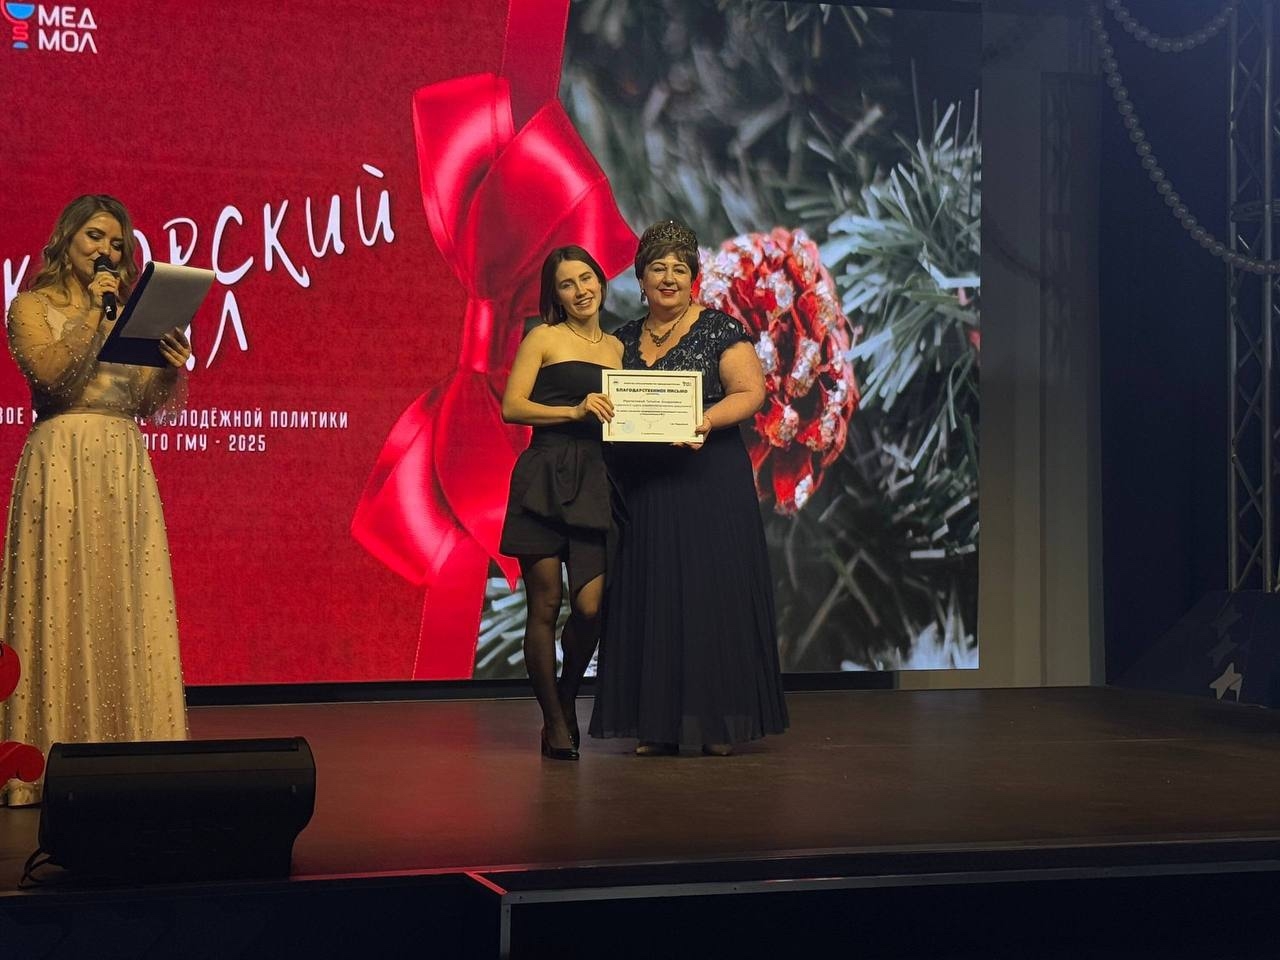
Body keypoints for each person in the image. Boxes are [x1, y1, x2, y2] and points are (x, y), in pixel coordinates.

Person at [0, 195, 192, 806]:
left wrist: (169, 366)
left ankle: (129, 756)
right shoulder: (30, 306)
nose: (107, 250)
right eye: (95, 236)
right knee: (60, 600)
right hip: (61, 459)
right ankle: (46, 762)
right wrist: (92, 312)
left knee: (122, 603)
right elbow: (52, 376)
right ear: (67, 238)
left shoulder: (128, 316)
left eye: (117, 243)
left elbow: (145, 404)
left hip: (121, 463)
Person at [590, 219, 789, 756]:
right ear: (641, 278)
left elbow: (751, 391)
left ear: (693, 277)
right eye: (658, 268)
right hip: (646, 489)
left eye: (679, 268)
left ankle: (715, 725)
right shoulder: (622, 339)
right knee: (653, 597)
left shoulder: (721, 329)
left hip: (708, 481)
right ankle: (656, 726)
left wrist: (705, 420)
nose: (668, 278)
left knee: (708, 597)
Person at [500, 246, 622, 761]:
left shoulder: (618, 347)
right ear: (555, 295)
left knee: (591, 608)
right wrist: (573, 411)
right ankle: (553, 722)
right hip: (545, 477)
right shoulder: (542, 338)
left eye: (586, 278)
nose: (580, 290)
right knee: (545, 606)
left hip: (596, 480)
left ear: (601, 281)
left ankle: (567, 699)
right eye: (567, 284)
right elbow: (512, 407)